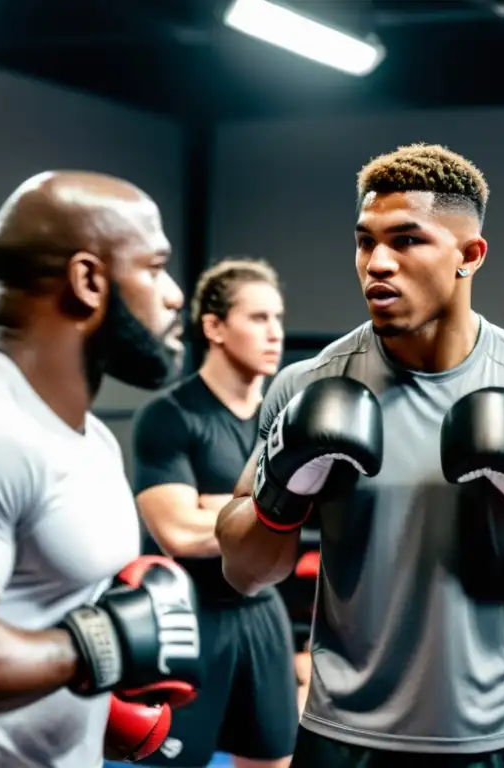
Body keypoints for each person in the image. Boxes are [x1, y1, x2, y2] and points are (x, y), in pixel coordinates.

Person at [215, 142, 504, 767]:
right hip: (343, 737)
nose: (376, 264)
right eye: (365, 242)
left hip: (501, 738)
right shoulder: (309, 387)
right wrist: (282, 489)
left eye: (407, 241)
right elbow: (247, 569)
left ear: (470, 255)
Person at [0, 171, 203, 768]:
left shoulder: (92, 439)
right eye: (154, 268)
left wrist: (93, 709)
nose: (176, 294)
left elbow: (42, 617)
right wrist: (96, 650)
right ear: (89, 281)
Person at [131, 258, 300, 768]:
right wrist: (283, 504)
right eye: (257, 318)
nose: (275, 334)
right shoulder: (170, 416)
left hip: (263, 615)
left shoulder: (287, 421)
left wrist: (221, 507)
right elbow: (178, 532)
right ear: (214, 327)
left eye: (278, 318)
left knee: (275, 761)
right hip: (189, 620)